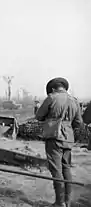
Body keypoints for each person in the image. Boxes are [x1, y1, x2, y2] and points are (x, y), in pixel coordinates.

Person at [35, 77, 83, 207]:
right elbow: (79, 123)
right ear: (64, 88)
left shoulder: (51, 98)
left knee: (56, 170)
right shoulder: (74, 101)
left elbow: (39, 116)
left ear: (52, 88)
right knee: (66, 168)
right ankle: (67, 202)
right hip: (68, 138)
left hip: (54, 136)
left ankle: (59, 202)